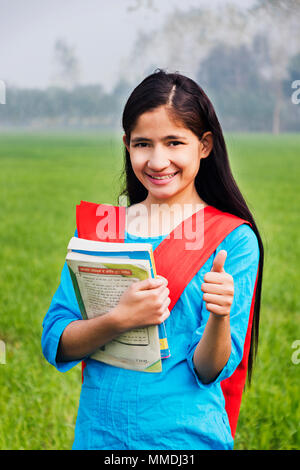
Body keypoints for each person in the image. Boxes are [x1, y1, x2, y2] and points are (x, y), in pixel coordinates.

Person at [41, 69, 264, 450]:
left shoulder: (233, 240)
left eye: (175, 142)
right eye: (143, 144)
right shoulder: (101, 230)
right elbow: (56, 340)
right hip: (100, 436)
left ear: (204, 145)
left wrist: (220, 315)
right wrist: (118, 320)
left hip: (185, 439)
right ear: (127, 145)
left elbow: (209, 370)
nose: (158, 161)